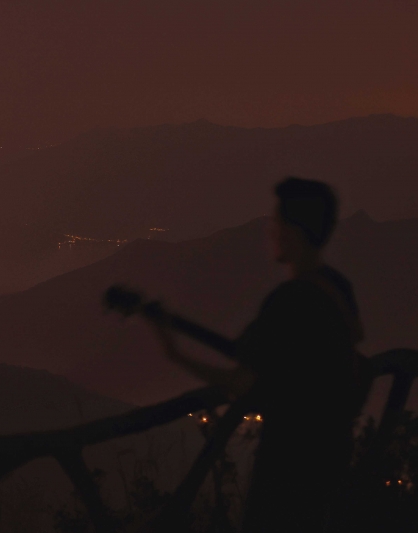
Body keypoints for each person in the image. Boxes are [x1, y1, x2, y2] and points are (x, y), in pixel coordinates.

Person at [152, 177, 364, 532]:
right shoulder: (338, 288)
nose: (270, 231)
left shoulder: (289, 301)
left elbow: (242, 381)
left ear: (292, 230)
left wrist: (174, 353)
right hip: (331, 456)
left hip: (288, 464)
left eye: (276, 222)